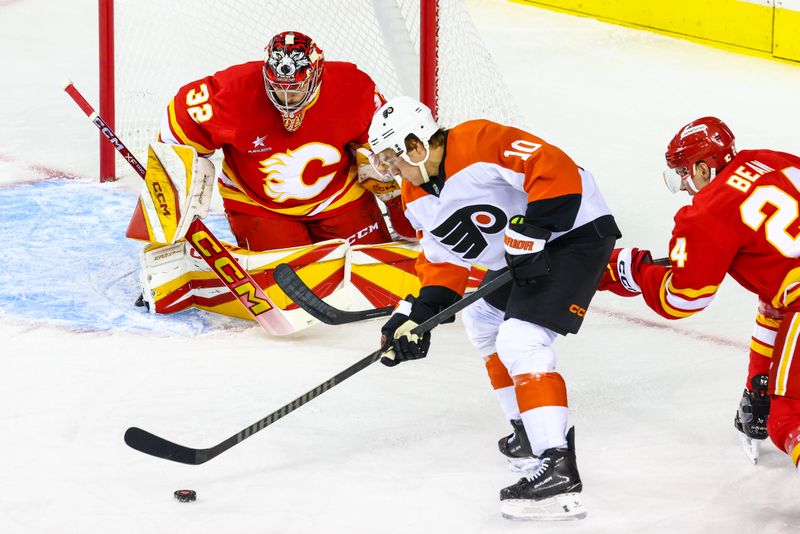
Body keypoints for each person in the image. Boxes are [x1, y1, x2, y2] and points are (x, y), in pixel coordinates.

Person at [367, 96, 620, 520]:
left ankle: (557, 465)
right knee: (481, 318)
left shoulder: (479, 141)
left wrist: (536, 228)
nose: (391, 170)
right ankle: (526, 428)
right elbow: (443, 261)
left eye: (393, 158)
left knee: (522, 338)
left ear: (416, 145)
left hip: (576, 233)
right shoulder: (416, 194)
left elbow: (552, 165)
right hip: (519, 255)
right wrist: (415, 316)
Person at [598, 116, 800, 469]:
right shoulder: (773, 159)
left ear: (704, 168)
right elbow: (775, 299)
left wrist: (633, 268)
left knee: (788, 420)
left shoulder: (707, 212)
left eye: (683, 172)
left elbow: (683, 297)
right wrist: (758, 385)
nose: (683, 183)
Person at [157, 30, 413, 251]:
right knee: (288, 281)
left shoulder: (354, 87)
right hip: (260, 206)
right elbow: (173, 140)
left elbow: (382, 148)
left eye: (296, 88)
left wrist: (396, 199)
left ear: (317, 75)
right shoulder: (230, 92)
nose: (286, 97)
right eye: (278, 87)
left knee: (370, 267)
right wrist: (167, 224)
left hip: (340, 197)